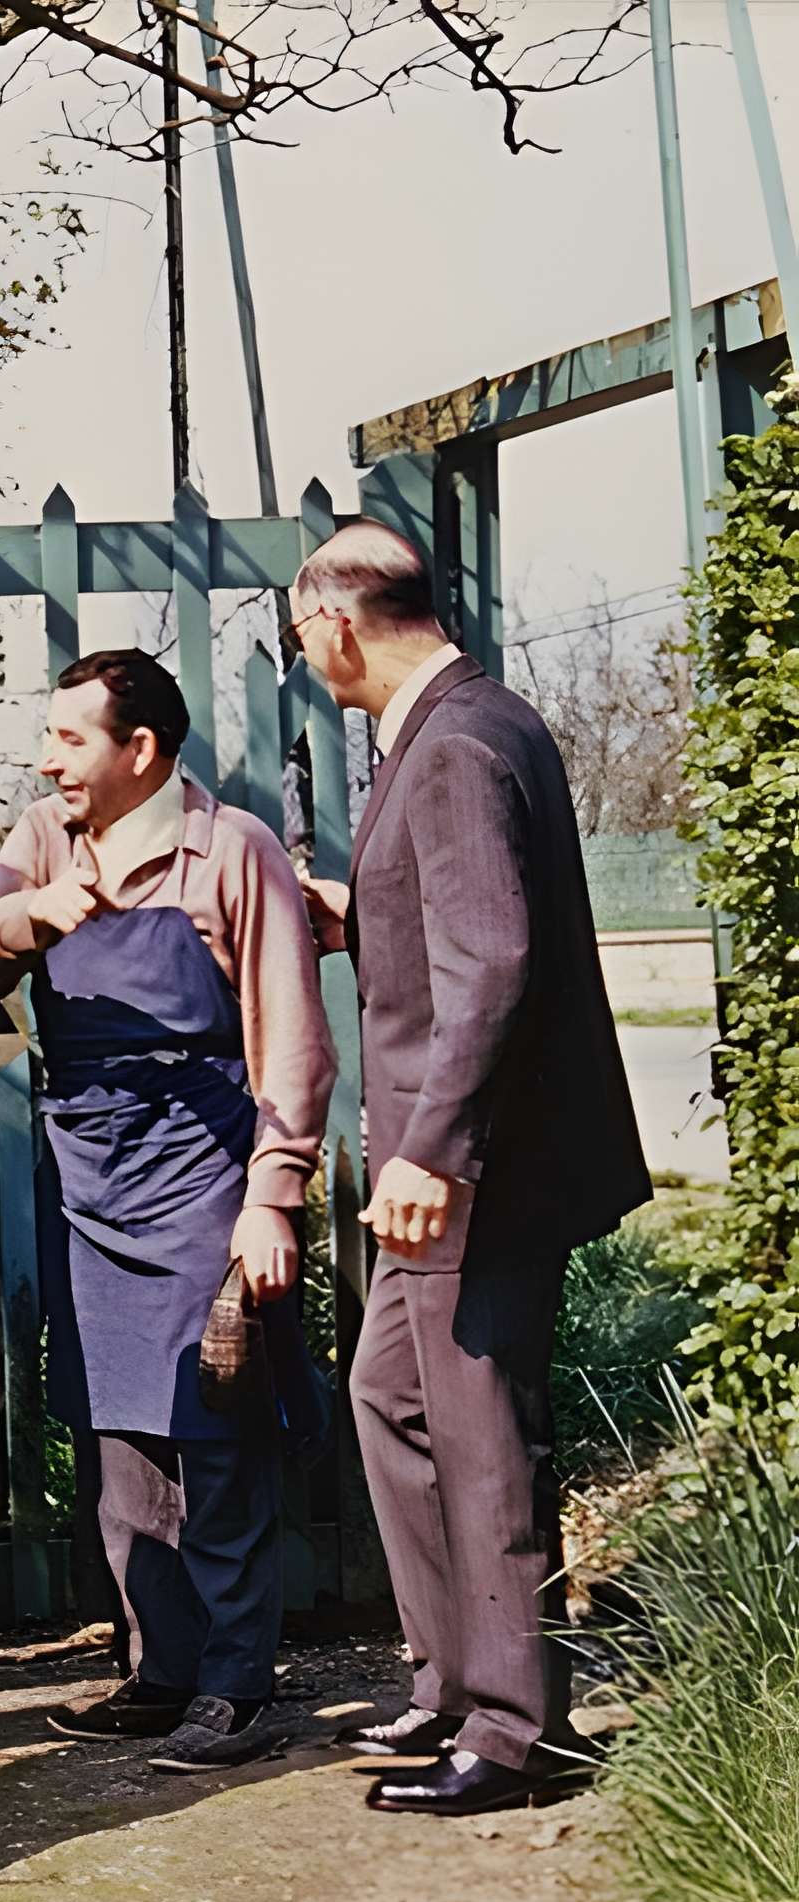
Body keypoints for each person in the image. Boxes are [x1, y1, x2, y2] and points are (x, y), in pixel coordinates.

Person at [289, 521, 646, 1816]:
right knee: (391, 1398)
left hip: (470, 1169)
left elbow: (493, 964)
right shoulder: (479, 723)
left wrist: (433, 1149)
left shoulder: (451, 746)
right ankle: (453, 1679)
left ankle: (517, 1731)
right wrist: (359, 917)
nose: (303, 654)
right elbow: (456, 927)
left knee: (481, 1434)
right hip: (456, 1164)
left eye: (299, 631)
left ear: (335, 620)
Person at [0, 648, 336, 1774]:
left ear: (139, 751)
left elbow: (289, 1039)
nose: (46, 757)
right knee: (119, 1435)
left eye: (68, 738)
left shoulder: (231, 850)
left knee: (216, 1428)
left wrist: (275, 1192)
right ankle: (157, 1667)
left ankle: (233, 1683)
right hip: (92, 1173)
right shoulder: (39, 841)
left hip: (204, 1168)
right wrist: (31, 917)